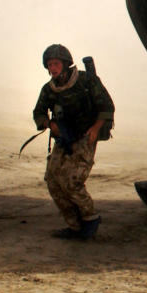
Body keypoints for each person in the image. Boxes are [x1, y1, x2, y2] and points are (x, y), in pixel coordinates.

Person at [32, 44, 114, 240]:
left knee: (72, 181)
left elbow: (107, 106)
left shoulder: (85, 80)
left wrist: (95, 128)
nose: (53, 68)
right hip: (64, 138)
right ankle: (74, 226)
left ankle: (90, 218)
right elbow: (38, 112)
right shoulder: (49, 89)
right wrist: (50, 124)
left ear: (66, 64)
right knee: (53, 181)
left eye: (56, 63)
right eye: (50, 64)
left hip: (86, 135)